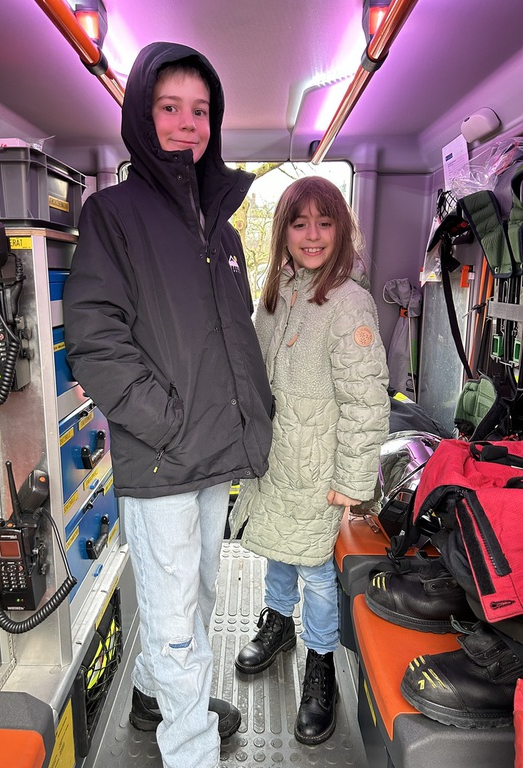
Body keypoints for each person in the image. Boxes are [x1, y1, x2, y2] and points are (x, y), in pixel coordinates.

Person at [63, 42, 274, 768]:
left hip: (212, 450)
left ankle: (155, 692)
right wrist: (167, 422)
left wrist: (250, 421)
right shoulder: (112, 215)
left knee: (202, 593)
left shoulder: (221, 227)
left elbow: (232, 338)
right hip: (163, 456)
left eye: (201, 110)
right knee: (175, 616)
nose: (189, 123)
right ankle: (190, 750)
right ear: (141, 116)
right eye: (170, 107)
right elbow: (95, 342)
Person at [230, 176, 390, 745]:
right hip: (277, 460)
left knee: (318, 573)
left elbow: (367, 400)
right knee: (279, 548)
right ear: (284, 233)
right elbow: (254, 370)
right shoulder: (277, 292)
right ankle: (278, 623)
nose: (313, 235)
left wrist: (352, 480)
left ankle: (321, 664)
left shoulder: (349, 303)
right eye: (300, 223)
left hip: (322, 468)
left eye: (325, 222)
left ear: (342, 229)